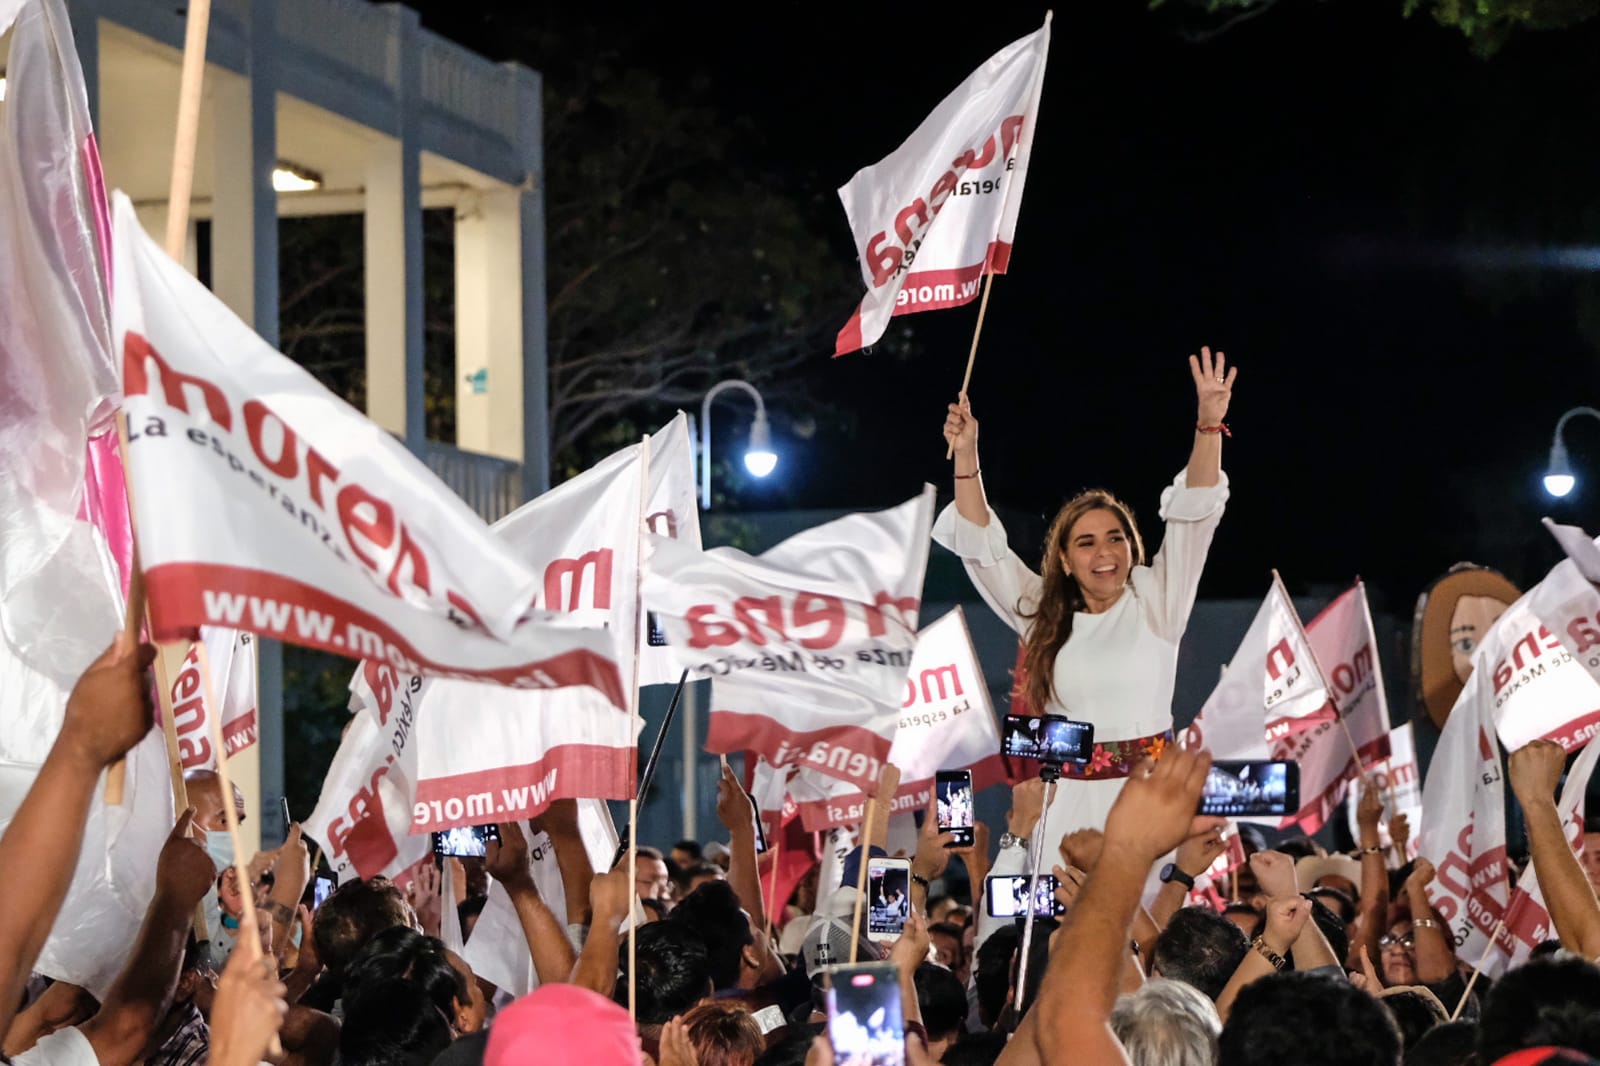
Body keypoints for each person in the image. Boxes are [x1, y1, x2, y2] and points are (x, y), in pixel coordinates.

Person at [936, 349, 1236, 842]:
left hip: (1150, 806)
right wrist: (966, 455)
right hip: (1067, 812)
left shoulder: (1157, 599)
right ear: (1066, 560)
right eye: (1087, 542)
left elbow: (1194, 520)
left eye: (1116, 537)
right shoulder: (1043, 612)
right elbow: (983, 549)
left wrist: (1208, 427)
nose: (1105, 552)